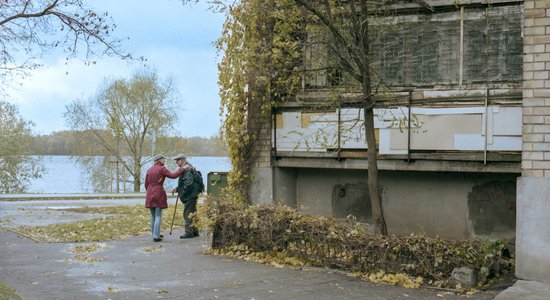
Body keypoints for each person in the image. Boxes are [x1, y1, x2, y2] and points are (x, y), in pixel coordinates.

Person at [145, 154, 185, 242]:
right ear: (159, 160)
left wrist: (149, 191)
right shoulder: (162, 168)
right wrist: (182, 169)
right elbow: (173, 175)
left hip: (149, 192)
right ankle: (156, 236)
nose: (165, 161)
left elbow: (146, 184)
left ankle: (154, 233)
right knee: (158, 214)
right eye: (164, 159)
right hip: (158, 192)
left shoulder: (149, 170)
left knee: (152, 215)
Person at [172, 153, 201, 239]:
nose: (176, 162)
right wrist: (177, 189)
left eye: (178, 160)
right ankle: (195, 231)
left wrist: (183, 193)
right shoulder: (188, 167)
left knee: (187, 213)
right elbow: (185, 182)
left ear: (183, 160)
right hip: (193, 193)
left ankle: (189, 232)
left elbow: (188, 184)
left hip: (190, 195)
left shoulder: (187, 169)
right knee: (193, 213)